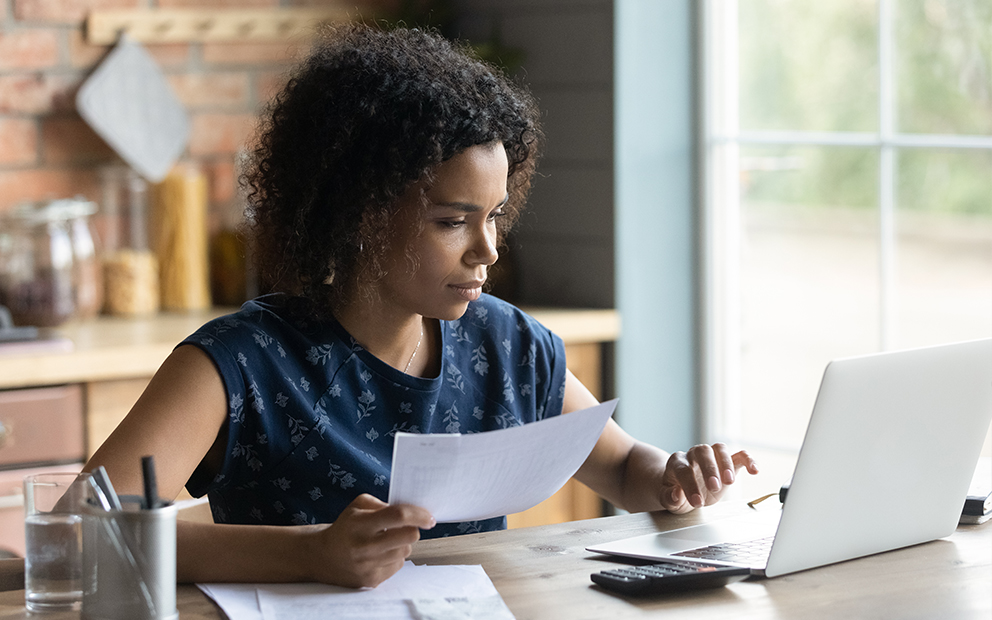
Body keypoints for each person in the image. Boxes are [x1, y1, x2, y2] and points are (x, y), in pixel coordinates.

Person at [83, 23, 758, 589]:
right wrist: (311, 554)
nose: (486, 250)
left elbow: (619, 466)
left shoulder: (508, 346)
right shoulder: (240, 363)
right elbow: (90, 531)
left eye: (494, 216)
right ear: (360, 215)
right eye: (451, 221)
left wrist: (675, 477)